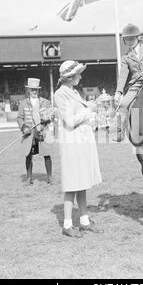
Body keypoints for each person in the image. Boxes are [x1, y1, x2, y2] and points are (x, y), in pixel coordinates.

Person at [54, 60, 103, 238]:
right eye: (78, 74)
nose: (80, 76)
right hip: (72, 144)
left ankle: (84, 221)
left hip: (81, 142)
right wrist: (88, 110)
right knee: (72, 185)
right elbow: (70, 120)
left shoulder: (74, 92)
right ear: (70, 76)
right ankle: (67, 224)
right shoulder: (60, 94)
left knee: (81, 184)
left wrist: (93, 117)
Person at [17, 78, 54, 185]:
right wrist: (23, 127)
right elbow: (19, 118)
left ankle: (49, 177)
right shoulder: (23, 103)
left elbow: (51, 116)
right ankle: (29, 177)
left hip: (42, 132)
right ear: (28, 90)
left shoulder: (46, 102)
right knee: (28, 155)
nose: (34, 92)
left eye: (36, 90)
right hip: (29, 134)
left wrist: (47, 119)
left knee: (47, 155)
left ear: (38, 90)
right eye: (32, 89)